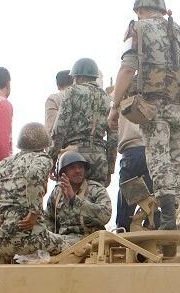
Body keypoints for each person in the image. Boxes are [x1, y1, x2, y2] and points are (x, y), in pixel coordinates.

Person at [108, 0, 180, 230]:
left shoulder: (138, 28)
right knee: (171, 163)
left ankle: (168, 219)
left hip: (153, 109)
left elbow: (128, 68)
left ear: (139, 11)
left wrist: (114, 107)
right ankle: (177, 214)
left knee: (158, 162)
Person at [0, 123, 72, 260]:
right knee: (74, 247)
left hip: (0, 243)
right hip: (32, 238)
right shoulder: (42, 158)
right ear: (45, 143)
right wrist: (34, 212)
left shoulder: (4, 163)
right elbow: (34, 173)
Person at [52, 58, 117, 187]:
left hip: (74, 158)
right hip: (99, 157)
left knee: (69, 202)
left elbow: (60, 128)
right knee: (96, 202)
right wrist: (110, 169)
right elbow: (113, 136)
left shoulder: (72, 92)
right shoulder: (107, 98)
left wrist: (52, 158)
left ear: (79, 77)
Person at [46, 152, 113, 244]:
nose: (78, 170)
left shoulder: (96, 189)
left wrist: (74, 199)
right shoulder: (57, 192)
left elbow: (105, 215)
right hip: (62, 241)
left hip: (91, 239)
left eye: (80, 167)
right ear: (63, 173)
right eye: (72, 168)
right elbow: (48, 219)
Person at [115, 114, 153, 230]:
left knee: (126, 207)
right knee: (152, 202)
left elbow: (111, 123)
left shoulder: (120, 96)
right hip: (155, 152)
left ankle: (122, 240)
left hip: (132, 151)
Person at [44, 69, 73, 135]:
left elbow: (50, 127)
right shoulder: (84, 98)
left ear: (58, 85)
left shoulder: (53, 99)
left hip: (61, 143)